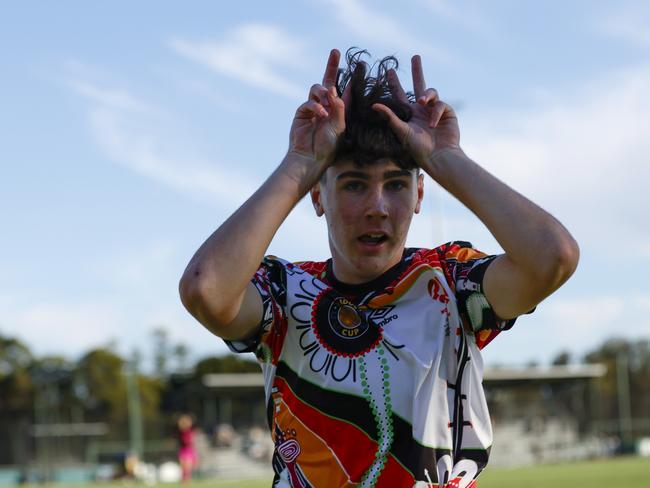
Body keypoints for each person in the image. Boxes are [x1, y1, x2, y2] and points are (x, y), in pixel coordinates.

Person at [179, 48, 579, 487]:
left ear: (419, 195)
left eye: (396, 184)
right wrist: (300, 164)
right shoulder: (284, 294)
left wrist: (447, 160)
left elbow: (552, 258)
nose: (377, 207)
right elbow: (206, 289)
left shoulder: (450, 282)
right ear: (317, 196)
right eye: (353, 184)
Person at [176, 414, 198, 483]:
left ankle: (187, 481)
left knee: (188, 468)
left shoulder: (191, 430)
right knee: (183, 468)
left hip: (189, 450)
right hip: (183, 450)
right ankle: (184, 481)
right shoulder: (181, 431)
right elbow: (180, 425)